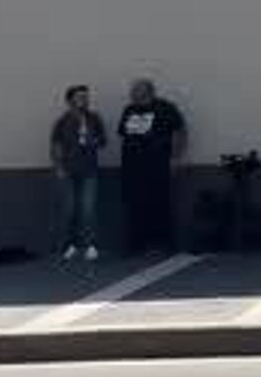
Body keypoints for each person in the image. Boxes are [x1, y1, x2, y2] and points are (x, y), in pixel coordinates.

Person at [117, 78, 187, 255]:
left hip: (158, 164)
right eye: (133, 90)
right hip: (133, 166)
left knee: (159, 203)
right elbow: (123, 132)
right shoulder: (129, 110)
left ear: (148, 92)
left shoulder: (165, 108)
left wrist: (175, 157)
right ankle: (137, 244)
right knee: (135, 205)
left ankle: (162, 244)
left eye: (136, 90)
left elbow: (179, 131)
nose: (132, 93)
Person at [49, 85, 107, 261]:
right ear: (70, 100)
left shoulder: (94, 118)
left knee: (88, 209)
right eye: (80, 97)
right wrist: (59, 167)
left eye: (86, 97)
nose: (85, 100)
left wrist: (92, 140)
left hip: (89, 170)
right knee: (69, 209)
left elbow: (103, 142)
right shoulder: (62, 121)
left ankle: (90, 245)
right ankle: (70, 245)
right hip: (68, 171)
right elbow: (56, 145)